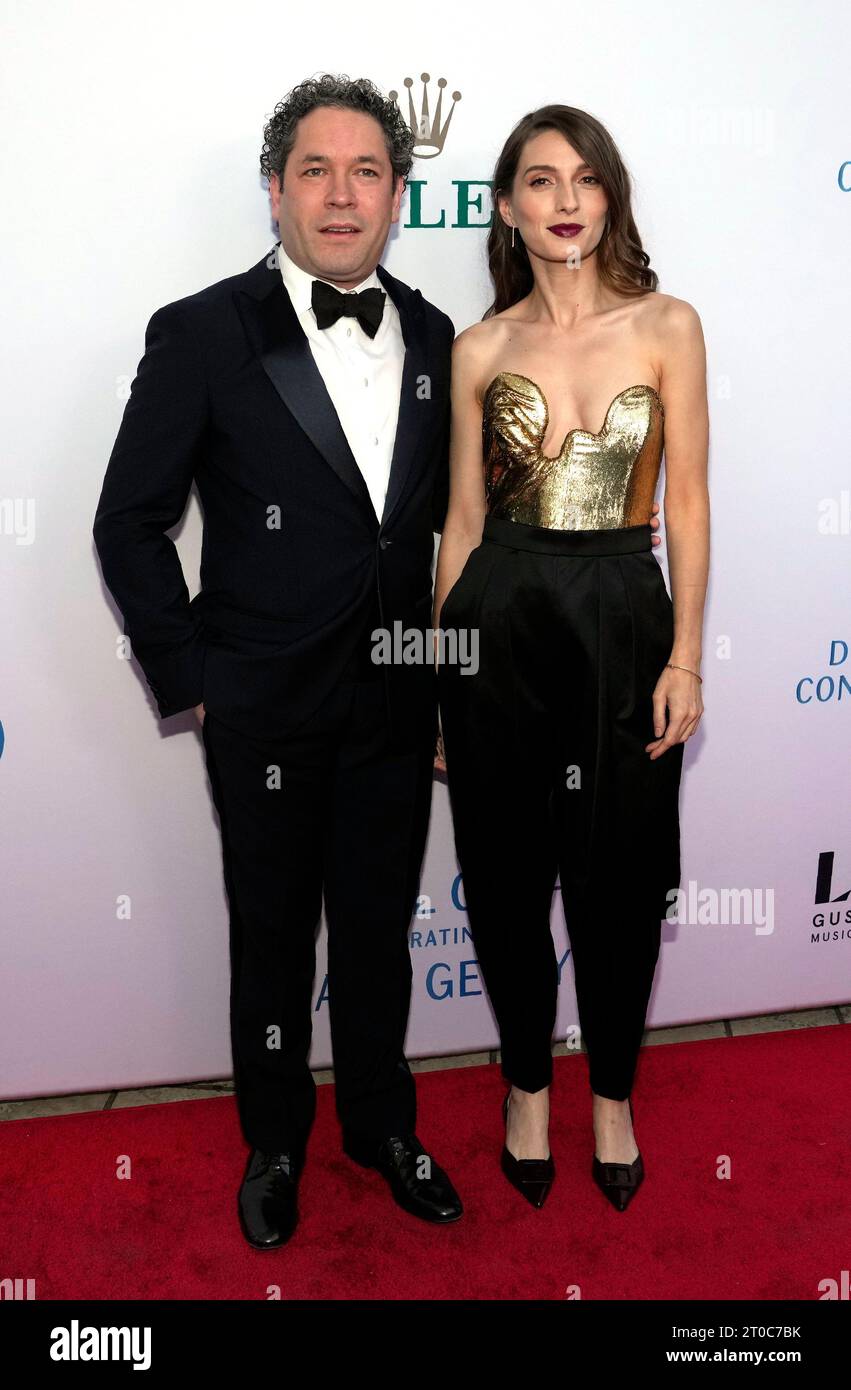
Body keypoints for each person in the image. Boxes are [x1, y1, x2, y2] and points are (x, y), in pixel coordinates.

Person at [93, 74, 463, 1249]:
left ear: (398, 194)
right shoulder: (202, 331)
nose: (341, 194)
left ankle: (378, 1122)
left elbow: (440, 532)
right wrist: (196, 678)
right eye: (316, 168)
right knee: (269, 937)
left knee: (374, 931)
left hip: (396, 700)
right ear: (274, 189)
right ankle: (275, 1142)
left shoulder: (436, 332)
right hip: (260, 703)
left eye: (366, 172)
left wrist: (445, 675)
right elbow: (127, 520)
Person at [434, 105, 708, 1212]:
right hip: (499, 611)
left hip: (621, 611)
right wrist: (440, 685)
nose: (563, 200)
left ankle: (611, 1094)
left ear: (609, 197)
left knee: (624, 879)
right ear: (504, 206)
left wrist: (685, 652)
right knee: (502, 875)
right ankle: (521, 1087)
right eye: (539, 180)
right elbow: (456, 523)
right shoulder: (477, 347)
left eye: (584, 179)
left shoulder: (668, 324)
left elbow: (683, 500)